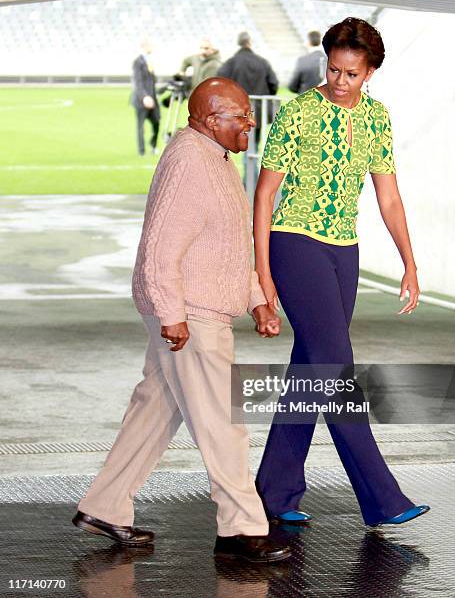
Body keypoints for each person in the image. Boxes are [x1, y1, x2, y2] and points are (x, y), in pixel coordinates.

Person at [72, 77, 291, 564]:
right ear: (211, 120)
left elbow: (227, 245)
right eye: (241, 116)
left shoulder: (216, 158)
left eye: (250, 115)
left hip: (193, 307)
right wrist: (172, 315)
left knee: (156, 410)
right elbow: (159, 248)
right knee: (222, 421)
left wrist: (256, 297)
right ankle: (240, 528)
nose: (251, 123)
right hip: (189, 313)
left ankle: (103, 505)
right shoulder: (190, 163)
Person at [253, 17, 430, 527]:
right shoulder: (297, 113)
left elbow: (389, 196)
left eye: (351, 73)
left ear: (369, 71)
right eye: (333, 69)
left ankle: (274, 490)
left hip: (344, 252)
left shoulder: (377, 118)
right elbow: (265, 195)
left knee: (312, 372)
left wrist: (410, 264)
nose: (339, 81)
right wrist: (263, 274)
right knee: (335, 369)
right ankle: (381, 497)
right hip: (295, 242)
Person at [218, 32, 279, 181]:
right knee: (252, 146)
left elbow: (219, 81)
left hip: (235, 113)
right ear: (250, 43)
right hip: (257, 111)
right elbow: (274, 84)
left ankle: (246, 180)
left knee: (233, 147)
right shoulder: (262, 62)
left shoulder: (231, 62)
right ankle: (251, 179)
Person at [131, 38, 160, 156]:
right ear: (145, 46)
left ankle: (153, 146)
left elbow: (151, 81)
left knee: (156, 122)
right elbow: (138, 82)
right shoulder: (138, 62)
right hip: (141, 100)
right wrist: (144, 97)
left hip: (153, 98)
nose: (152, 48)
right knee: (141, 126)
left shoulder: (149, 61)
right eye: (150, 45)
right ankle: (141, 151)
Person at [288, 30, 326, 94]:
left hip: (306, 100)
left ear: (308, 42)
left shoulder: (302, 60)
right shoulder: (331, 59)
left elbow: (292, 86)